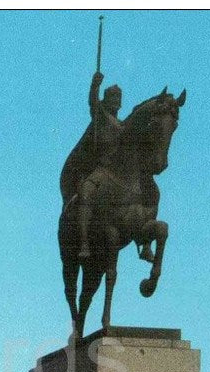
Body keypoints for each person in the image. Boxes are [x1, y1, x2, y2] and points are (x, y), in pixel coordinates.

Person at [75, 71, 123, 260]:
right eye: (112, 97)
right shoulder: (101, 116)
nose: (115, 101)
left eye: (118, 98)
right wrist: (95, 86)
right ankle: (84, 242)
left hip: (117, 174)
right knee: (86, 191)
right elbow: (93, 102)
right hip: (101, 170)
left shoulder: (122, 125)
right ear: (106, 99)